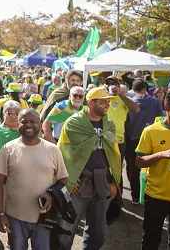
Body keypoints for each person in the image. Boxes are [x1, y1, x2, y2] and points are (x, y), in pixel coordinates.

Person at [0, 109, 68, 250]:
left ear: (40, 125)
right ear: (18, 124)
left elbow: (63, 179)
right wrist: (1, 214)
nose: (28, 125)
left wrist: (51, 195)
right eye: (24, 122)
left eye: (33, 121)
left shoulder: (53, 150)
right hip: (15, 218)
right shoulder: (8, 149)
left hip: (44, 218)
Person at [58, 87, 122, 249]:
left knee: (97, 233)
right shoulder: (74, 122)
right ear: (91, 102)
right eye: (103, 102)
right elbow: (62, 152)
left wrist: (113, 182)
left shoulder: (109, 125)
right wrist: (68, 179)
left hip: (102, 182)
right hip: (79, 183)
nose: (107, 105)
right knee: (66, 230)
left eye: (108, 102)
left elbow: (114, 155)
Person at [135, 87, 170, 250]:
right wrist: (162, 155)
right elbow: (139, 162)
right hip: (156, 196)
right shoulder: (151, 131)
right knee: (151, 240)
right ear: (167, 107)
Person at [125, 79, 164, 205]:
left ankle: (136, 196)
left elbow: (126, 123)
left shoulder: (130, 103)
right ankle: (151, 195)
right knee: (153, 167)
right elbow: (159, 120)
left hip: (133, 139)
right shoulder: (156, 102)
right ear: (145, 89)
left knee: (134, 168)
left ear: (133, 89)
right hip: (152, 138)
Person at [103, 78, 140, 187]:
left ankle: (117, 199)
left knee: (117, 170)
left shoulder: (123, 99)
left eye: (114, 84)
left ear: (118, 86)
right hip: (103, 139)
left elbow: (136, 109)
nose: (111, 86)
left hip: (118, 141)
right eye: (109, 84)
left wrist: (121, 95)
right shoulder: (102, 98)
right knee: (104, 169)